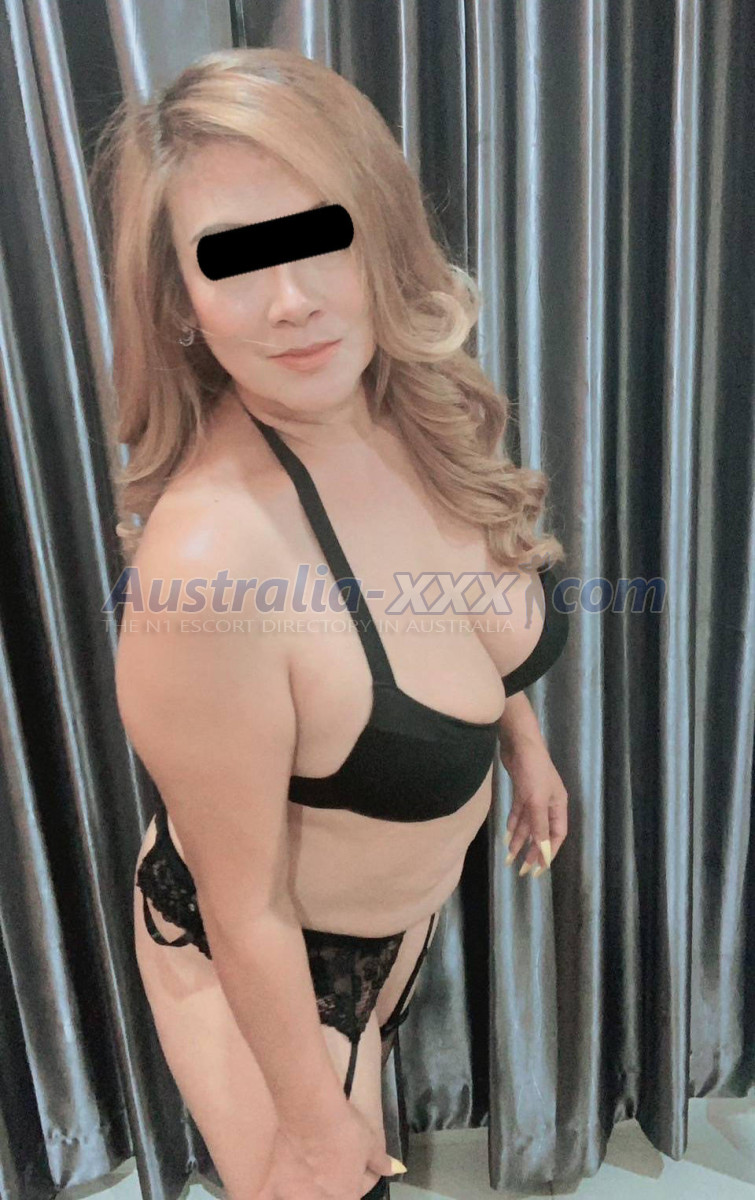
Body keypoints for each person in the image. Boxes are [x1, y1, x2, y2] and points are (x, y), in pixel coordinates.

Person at [92, 47, 570, 1200]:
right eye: (234, 260)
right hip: (256, 966)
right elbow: (242, 904)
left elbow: (455, 618)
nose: (291, 299)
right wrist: (309, 1128)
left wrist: (522, 745)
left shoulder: (413, 404)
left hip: (385, 943)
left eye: (320, 234)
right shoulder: (212, 568)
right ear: (181, 302)